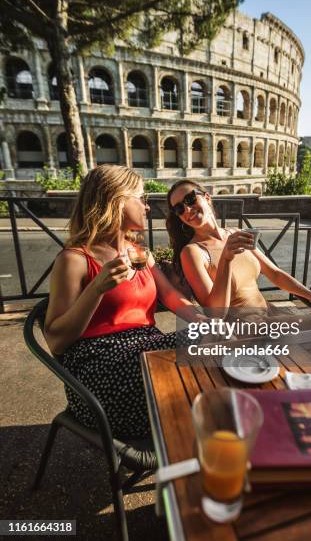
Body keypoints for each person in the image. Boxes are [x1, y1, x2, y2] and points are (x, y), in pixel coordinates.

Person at [45, 165, 204, 439]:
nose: (147, 207)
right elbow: (56, 342)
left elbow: (170, 296)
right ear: (115, 200)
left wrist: (205, 322)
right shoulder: (74, 259)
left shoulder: (138, 252)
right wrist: (96, 289)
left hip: (147, 357)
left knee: (214, 341)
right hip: (99, 375)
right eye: (141, 198)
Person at [166, 179, 311, 329]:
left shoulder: (236, 233)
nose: (187, 209)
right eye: (179, 209)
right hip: (247, 330)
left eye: (190, 199)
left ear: (207, 197)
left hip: (271, 315)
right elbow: (215, 314)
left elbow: (276, 274)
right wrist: (226, 259)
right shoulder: (192, 252)